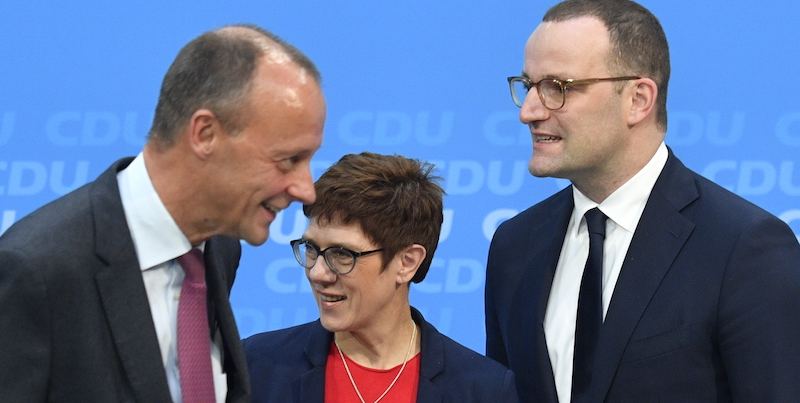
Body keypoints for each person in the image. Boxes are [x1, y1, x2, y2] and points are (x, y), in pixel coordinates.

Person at [484, 0, 800, 402]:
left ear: (637, 99)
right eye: (528, 86)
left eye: (557, 88)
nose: (529, 111)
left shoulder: (745, 248)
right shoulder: (515, 246)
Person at [0, 24, 325, 402]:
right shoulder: (36, 272)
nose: (306, 188)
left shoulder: (221, 247)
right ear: (204, 134)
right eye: (288, 160)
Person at [243, 152, 518, 402]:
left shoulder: (485, 390)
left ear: (407, 262)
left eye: (342, 254)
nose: (317, 273)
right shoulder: (257, 365)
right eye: (312, 249)